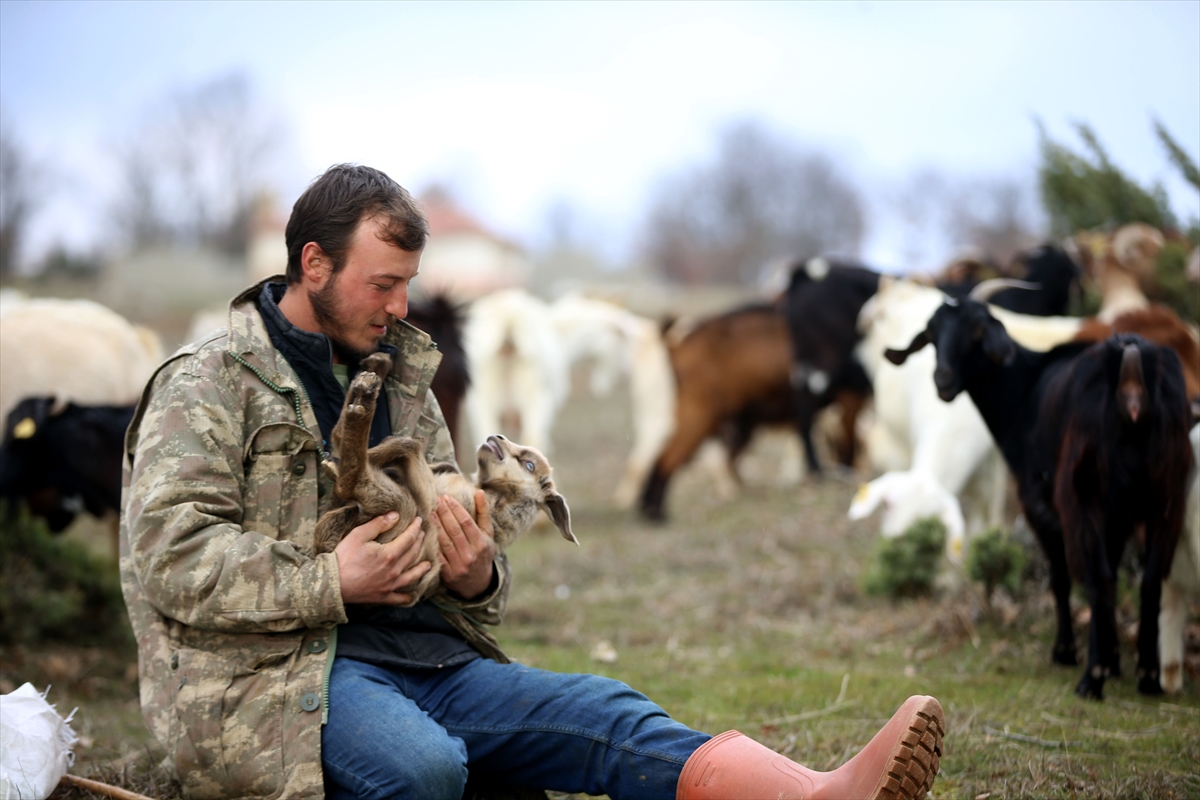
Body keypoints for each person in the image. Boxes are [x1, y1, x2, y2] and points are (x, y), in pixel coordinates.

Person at [119, 163, 945, 800]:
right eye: (383, 285)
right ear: (313, 263)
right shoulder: (206, 384)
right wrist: (329, 578)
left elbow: (464, 558)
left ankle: (818, 793)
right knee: (426, 768)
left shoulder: (400, 373)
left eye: (409, 282)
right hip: (274, 683)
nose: (403, 307)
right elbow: (171, 557)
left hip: (422, 656)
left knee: (604, 713)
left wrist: (475, 572)